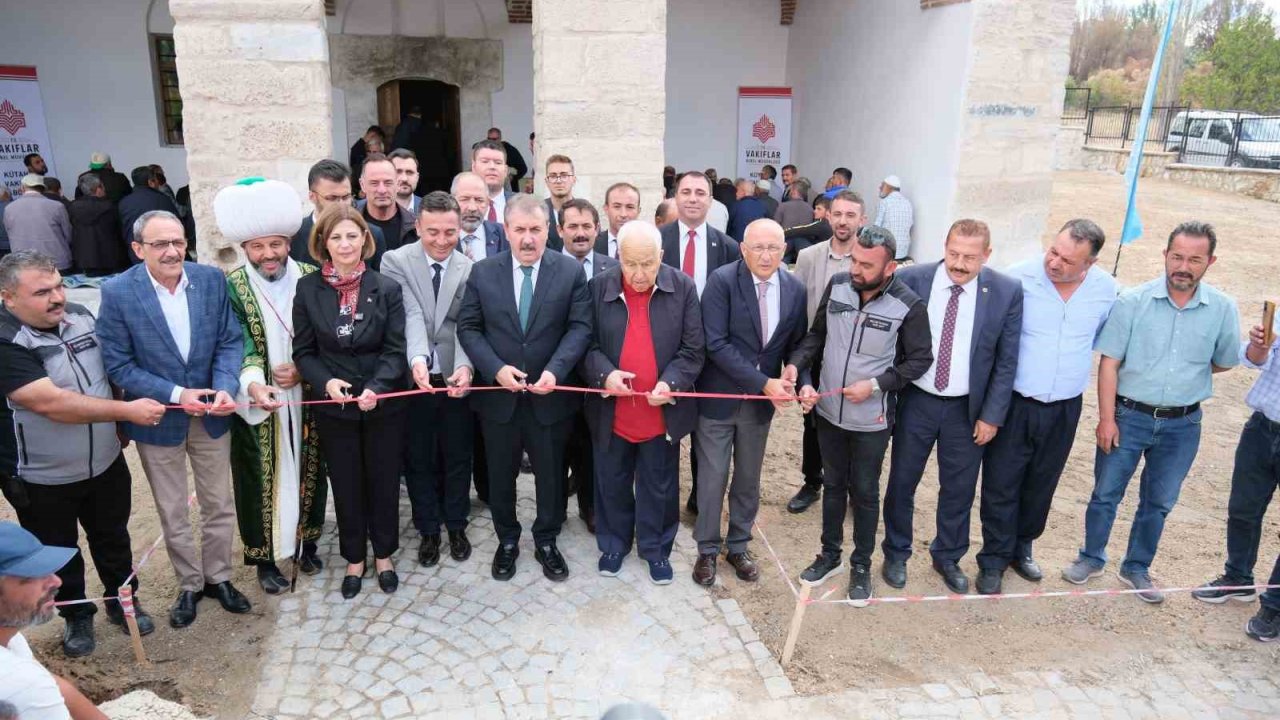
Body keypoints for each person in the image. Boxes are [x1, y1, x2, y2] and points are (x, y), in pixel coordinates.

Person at [0, 251, 167, 656]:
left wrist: (119, 423)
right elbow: (51, 403)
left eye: (59, 284)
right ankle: (77, 615)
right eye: (43, 292)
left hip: (104, 462)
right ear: (7, 297)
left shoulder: (82, 316)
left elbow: (109, 372)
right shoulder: (6, 342)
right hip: (41, 477)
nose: (58, 297)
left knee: (113, 536)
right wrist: (127, 411)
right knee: (59, 547)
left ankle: (121, 599)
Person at [1064, 221, 1240, 603]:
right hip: (1128, 417)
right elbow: (1109, 363)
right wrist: (1107, 419)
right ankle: (1090, 557)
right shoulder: (1132, 302)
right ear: (1165, 255)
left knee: (1159, 502)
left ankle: (1136, 567)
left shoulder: (1223, 309)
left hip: (1183, 426)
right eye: (1177, 256)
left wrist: (1187, 376)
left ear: (1210, 262)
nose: (1184, 266)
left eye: (1195, 259)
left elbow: (1225, 360)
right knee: (1105, 492)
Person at [96, 210, 250, 628]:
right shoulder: (117, 292)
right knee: (172, 509)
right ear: (138, 249)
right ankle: (189, 584)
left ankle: (219, 577)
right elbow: (120, 366)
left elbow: (229, 340)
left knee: (219, 501)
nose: (171, 251)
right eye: (160, 244)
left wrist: (223, 386)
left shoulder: (210, 280)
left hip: (212, 414)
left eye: (178, 242)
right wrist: (180, 395)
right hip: (158, 418)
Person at [790, 225, 932, 605]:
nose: (856, 269)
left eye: (867, 265)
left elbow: (920, 360)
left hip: (871, 422)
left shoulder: (909, 306)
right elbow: (815, 337)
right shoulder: (837, 286)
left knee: (865, 493)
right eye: (854, 259)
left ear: (890, 268)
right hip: (828, 414)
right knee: (833, 485)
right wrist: (798, 371)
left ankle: (861, 565)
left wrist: (877, 385)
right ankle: (830, 556)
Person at [974, 220, 1116, 594]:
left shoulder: (1107, 292)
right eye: (1053, 251)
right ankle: (993, 558)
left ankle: (1022, 548)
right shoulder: (1017, 278)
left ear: (1091, 263)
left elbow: (1101, 341)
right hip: (1016, 403)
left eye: (1068, 260)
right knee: (1001, 482)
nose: (1054, 263)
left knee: (1042, 482)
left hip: (1064, 407)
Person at [882, 219, 1023, 594]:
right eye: (954, 254)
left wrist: (992, 415)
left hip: (967, 409)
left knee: (959, 489)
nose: (960, 264)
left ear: (987, 256)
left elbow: (1007, 361)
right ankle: (896, 552)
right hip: (917, 400)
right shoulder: (913, 280)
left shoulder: (1007, 292)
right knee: (902, 481)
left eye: (970, 258)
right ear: (944, 247)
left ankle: (947, 556)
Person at [456, 195, 591, 582]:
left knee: (551, 475)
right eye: (520, 230)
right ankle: (508, 540)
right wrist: (494, 369)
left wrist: (556, 370)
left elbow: (580, 327)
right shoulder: (484, 272)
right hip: (500, 399)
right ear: (506, 231)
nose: (528, 239)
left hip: (551, 398)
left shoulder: (568, 272)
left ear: (549, 230)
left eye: (536, 230)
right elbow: (469, 328)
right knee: (501, 475)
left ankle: (547, 540)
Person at [215, 179, 327, 595]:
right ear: (244, 248)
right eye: (258, 247)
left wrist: (303, 369)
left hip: (308, 392)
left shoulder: (313, 277)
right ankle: (263, 557)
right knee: (258, 476)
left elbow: (326, 335)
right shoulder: (232, 287)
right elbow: (235, 338)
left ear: (288, 242)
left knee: (311, 468)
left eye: (276, 245)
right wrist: (254, 382)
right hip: (259, 397)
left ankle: (306, 542)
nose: (268, 255)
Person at [292, 204, 408, 599]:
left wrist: (378, 385)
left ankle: (385, 555)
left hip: (382, 404)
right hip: (335, 409)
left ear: (365, 240)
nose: (345, 244)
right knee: (346, 483)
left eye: (352, 236)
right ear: (323, 243)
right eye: (336, 237)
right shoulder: (308, 289)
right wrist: (326, 383)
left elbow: (395, 350)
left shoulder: (386, 287)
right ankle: (355, 558)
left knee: (383, 480)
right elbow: (303, 351)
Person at [582, 220, 704, 583]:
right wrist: (606, 375)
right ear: (617, 255)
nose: (638, 274)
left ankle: (656, 549)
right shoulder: (598, 287)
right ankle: (614, 543)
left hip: (660, 412)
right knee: (611, 479)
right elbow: (584, 345)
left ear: (661, 257)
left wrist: (671, 381)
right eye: (630, 263)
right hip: (612, 409)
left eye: (647, 264)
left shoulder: (682, 287)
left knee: (659, 483)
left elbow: (693, 349)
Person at [691, 219, 806, 586]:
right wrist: (763, 383)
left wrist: (794, 370)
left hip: (759, 409)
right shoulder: (722, 281)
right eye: (757, 247)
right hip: (718, 400)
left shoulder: (795, 288)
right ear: (743, 249)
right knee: (712, 478)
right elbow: (716, 343)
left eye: (773, 247)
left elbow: (797, 342)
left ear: (784, 250)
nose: (766, 255)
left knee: (748, 480)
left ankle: (738, 544)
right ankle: (707, 550)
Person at [381, 192, 477, 568]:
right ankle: (428, 529)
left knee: (457, 455)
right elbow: (409, 315)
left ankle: (455, 524)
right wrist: (417, 359)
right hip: (414, 375)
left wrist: (467, 367)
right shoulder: (395, 261)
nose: (441, 240)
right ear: (417, 226)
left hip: (456, 375)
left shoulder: (470, 268)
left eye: (449, 232)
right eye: (432, 231)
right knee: (419, 457)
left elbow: (469, 324)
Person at [1193, 316, 1280, 641]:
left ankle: (1274, 606)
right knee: (1243, 510)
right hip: (1262, 427)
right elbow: (1253, 359)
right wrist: (1260, 347)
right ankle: (1238, 577)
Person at [660, 171, 741, 513]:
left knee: (705, 432)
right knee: (664, 429)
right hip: (666, 354)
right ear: (675, 198)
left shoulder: (727, 247)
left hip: (711, 355)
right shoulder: (658, 241)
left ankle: (699, 497)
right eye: (686, 192)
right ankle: (663, 499)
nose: (693, 198)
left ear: (711, 200)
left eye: (700, 193)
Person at [785, 191, 866, 514]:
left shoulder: (869, 257)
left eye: (851, 215)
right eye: (838, 214)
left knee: (855, 423)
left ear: (862, 219)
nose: (844, 221)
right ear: (828, 217)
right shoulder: (809, 258)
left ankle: (849, 486)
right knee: (813, 422)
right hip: (816, 352)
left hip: (858, 358)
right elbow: (798, 310)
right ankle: (812, 481)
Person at [0, 523, 111, 720]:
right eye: (31, 576)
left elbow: (58, 688)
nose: (56, 581)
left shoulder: (9, 636)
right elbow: (32, 684)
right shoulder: (19, 683)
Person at [557, 199, 619, 533]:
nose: (580, 234)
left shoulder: (614, 269)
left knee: (596, 447)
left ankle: (591, 507)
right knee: (559, 447)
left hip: (600, 377)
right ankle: (554, 510)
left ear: (598, 229)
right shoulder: (548, 266)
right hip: (560, 377)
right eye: (572, 227)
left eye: (586, 227)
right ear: (560, 231)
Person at [290, 159, 388, 268]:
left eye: (346, 197)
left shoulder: (373, 235)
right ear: (312, 197)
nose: (341, 204)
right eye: (332, 198)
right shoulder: (294, 235)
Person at [4, 175, 71, 272]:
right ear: (43, 189)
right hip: (56, 262)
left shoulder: (9, 208)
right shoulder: (57, 206)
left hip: (23, 264)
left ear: (22, 188)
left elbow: (10, 233)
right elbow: (68, 235)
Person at [358, 153, 417, 262]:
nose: (382, 190)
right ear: (362, 185)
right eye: (374, 183)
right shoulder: (348, 224)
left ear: (398, 184)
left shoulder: (415, 227)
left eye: (388, 183)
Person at [68, 175, 128, 275]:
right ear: (98, 188)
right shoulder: (110, 207)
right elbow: (119, 231)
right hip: (110, 259)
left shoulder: (73, 207)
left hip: (84, 260)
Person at [118, 166, 180, 258]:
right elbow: (177, 224)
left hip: (136, 252)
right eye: (155, 180)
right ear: (150, 182)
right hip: (160, 251)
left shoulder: (124, 202)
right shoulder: (162, 199)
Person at [471, 140, 514, 227]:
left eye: (498, 162)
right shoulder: (458, 206)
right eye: (485, 161)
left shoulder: (522, 204)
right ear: (474, 167)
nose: (492, 167)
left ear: (506, 170)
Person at [874, 176, 915, 261]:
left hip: (888, 252)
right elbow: (910, 227)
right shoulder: (908, 203)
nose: (880, 188)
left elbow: (876, 229)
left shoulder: (884, 202)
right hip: (904, 252)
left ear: (888, 187)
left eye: (882, 185)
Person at [543, 154, 576, 251]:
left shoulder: (585, 212)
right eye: (553, 176)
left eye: (564, 175)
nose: (558, 181)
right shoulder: (537, 211)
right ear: (546, 181)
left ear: (573, 179)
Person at [599, 183, 641, 259]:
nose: (623, 214)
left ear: (638, 211)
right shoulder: (593, 244)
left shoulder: (647, 245)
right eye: (617, 207)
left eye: (630, 207)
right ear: (606, 209)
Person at [486, 127, 528, 193]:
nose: (492, 142)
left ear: (500, 138)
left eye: (494, 139)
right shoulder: (484, 151)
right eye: (489, 139)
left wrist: (512, 177)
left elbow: (523, 169)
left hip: (509, 190)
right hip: (490, 190)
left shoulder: (511, 151)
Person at [388, 148, 422, 215]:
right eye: (398, 172)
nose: (404, 179)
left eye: (409, 172)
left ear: (417, 177)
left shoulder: (430, 209)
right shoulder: (366, 209)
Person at [349, 125, 385, 191]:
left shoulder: (388, 167)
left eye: (375, 152)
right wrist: (358, 193)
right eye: (369, 152)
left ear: (381, 152)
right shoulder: (359, 168)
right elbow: (353, 186)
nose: (371, 155)